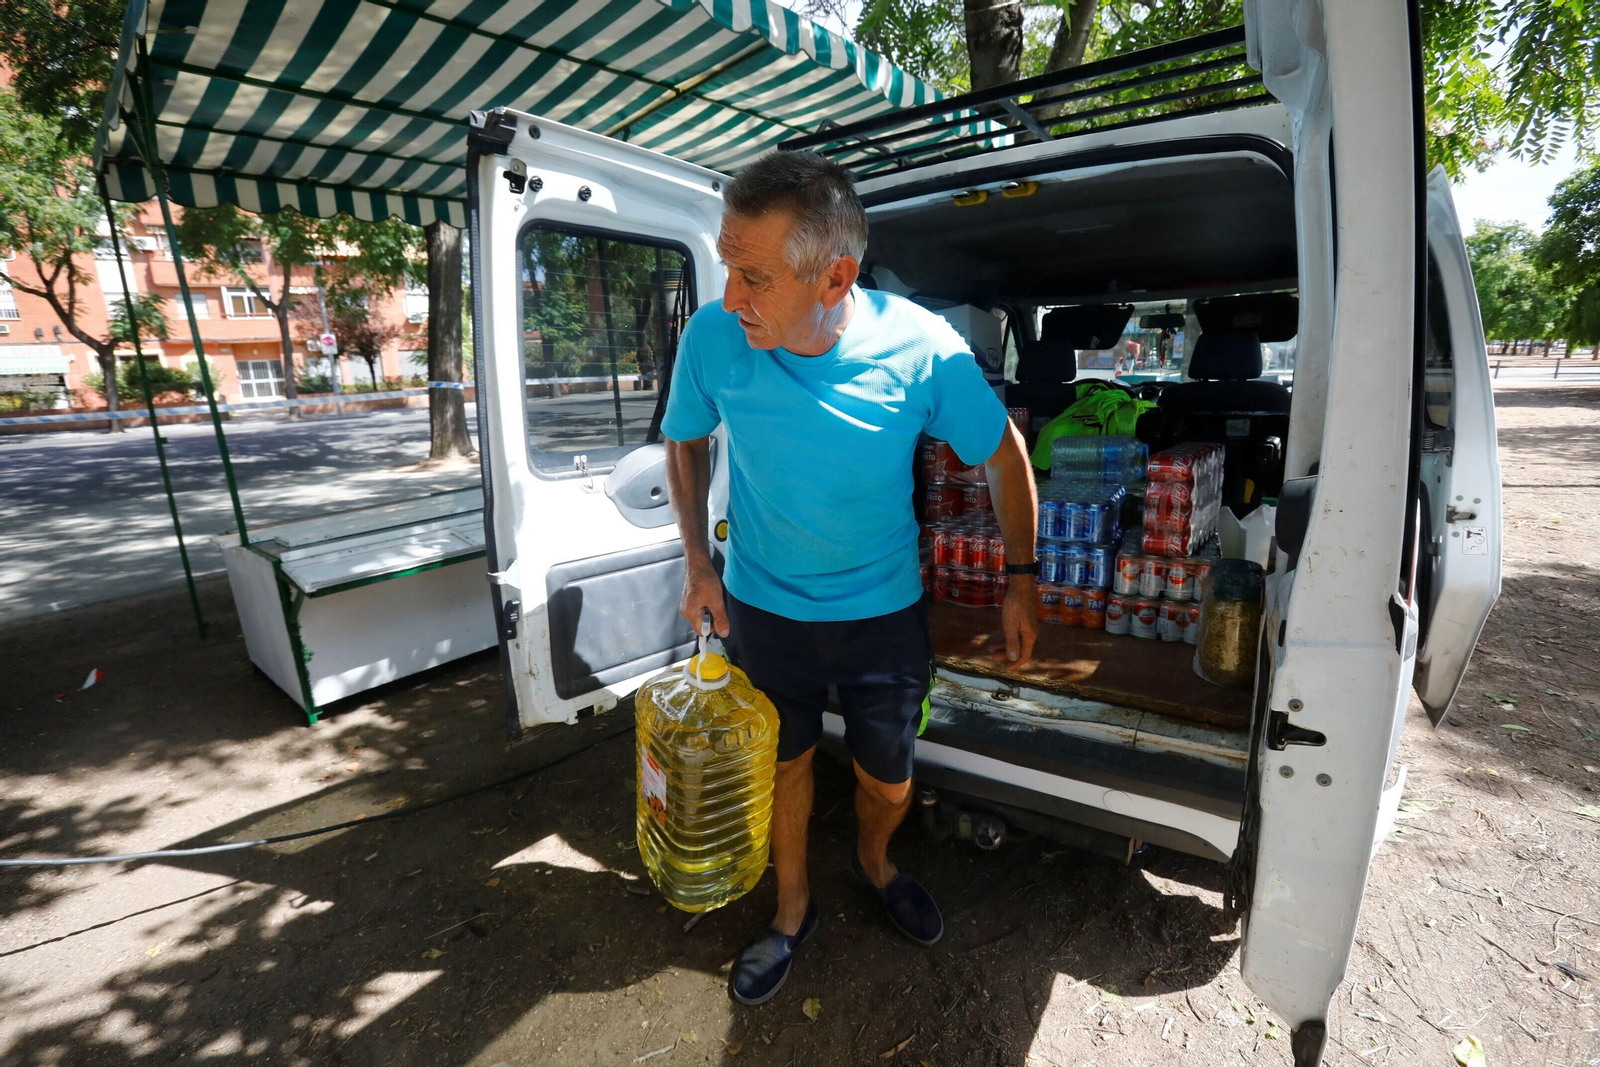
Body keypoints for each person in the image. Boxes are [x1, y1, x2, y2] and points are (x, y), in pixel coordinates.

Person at [661, 150, 1039, 1006]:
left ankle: (875, 860)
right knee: (784, 764)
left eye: (754, 277)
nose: (730, 296)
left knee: (888, 779)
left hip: (882, 615)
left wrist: (1022, 580)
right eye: (728, 268)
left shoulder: (922, 349)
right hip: (763, 608)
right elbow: (684, 438)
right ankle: (792, 909)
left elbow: (1003, 452)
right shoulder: (714, 338)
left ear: (835, 277)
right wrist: (697, 561)